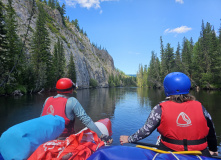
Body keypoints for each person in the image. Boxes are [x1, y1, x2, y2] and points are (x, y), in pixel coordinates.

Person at [120, 72, 218, 157]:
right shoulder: (200, 107)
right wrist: (213, 149)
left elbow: (146, 130)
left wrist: (129, 139)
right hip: (199, 152)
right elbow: (211, 131)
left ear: (167, 89)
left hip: (170, 152)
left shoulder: (160, 108)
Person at [41, 78, 113, 145]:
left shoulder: (48, 99)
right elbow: (86, 120)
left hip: (46, 140)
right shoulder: (72, 101)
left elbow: (41, 119)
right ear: (71, 89)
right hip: (64, 141)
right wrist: (102, 136)